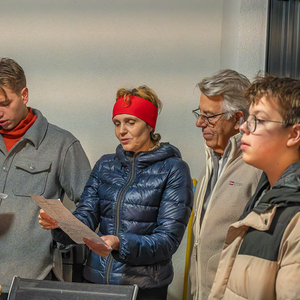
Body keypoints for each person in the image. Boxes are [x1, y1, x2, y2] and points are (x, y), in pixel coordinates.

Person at [38, 85, 193, 300]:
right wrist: (61, 223)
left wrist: (120, 242)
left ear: (149, 125)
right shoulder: (105, 165)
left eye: (131, 122)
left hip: (143, 287)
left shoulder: (174, 169)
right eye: (117, 123)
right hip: (96, 282)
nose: (121, 131)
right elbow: (86, 215)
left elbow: (167, 241)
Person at [0, 58, 91, 297]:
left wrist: (61, 224)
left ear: (25, 95)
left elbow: (93, 207)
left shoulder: (62, 145)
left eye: (5, 103)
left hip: (31, 283)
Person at [208, 75, 300, 300]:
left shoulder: (295, 216)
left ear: (294, 134)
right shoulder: (265, 194)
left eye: (258, 120)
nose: (243, 128)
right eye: (248, 118)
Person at [189, 69, 262, 300]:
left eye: (209, 116)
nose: (200, 123)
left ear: (238, 118)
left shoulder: (257, 169)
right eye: (199, 114)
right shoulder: (211, 163)